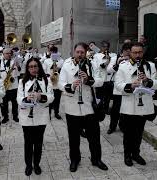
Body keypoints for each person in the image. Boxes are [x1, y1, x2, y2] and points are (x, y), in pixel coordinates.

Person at [59, 42, 108, 172]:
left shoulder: (91, 64)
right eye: (78, 52)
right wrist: (70, 86)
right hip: (72, 108)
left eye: (82, 52)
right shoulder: (66, 65)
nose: (80, 55)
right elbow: (60, 83)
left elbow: (100, 81)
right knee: (74, 138)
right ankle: (75, 159)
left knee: (94, 137)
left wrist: (89, 80)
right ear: (74, 52)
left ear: (85, 53)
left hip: (89, 107)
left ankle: (96, 159)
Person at [115, 42, 157, 166]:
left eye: (140, 52)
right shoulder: (123, 66)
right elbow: (117, 85)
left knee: (139, 133)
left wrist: (147, 81)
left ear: (143, 52)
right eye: (135, 52)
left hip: (144, 105)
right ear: (130, 53)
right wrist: (130, 85)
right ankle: (127, 155)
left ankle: (136, 154)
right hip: (129, 105)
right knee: (128, 134)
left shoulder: (150, 66)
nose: (138, 55)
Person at [17, 57, 54, 176]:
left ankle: (36, 164)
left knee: (38, 143)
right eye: (30, 67)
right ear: (27, 68)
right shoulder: (22, 81)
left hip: (41, 116)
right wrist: (26, 99)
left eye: (35, 66)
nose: (33, 69)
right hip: (26, 116)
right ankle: (28, 165)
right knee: (28, 143)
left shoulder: (46, 80)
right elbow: (18, 98)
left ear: (39, 67)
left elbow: (51, 97)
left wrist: (41, 97)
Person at [106, 43, 132, 134]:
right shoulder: (115, 58)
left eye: (130, 52)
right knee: (115, 110)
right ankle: (112, 127)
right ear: (123, 51)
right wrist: (117, 64)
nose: (128, 54)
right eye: (126, 52)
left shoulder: (132, 60)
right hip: (117, 89)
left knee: (125, 109)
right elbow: (108, 70)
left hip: (128, 88)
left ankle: (122, 126)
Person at [0, 48, 21, 123]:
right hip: (4, 86)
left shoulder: (14, 62)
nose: (9, 55)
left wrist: (17, 66)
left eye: (10, 53)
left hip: (14, 86)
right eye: (7, 53)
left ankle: (15, 116)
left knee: (14, 103)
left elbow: (18, 73)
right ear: (3, 54)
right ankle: (5, 117)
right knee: (4, 103)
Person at [92, 41, 117, 116]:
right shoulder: (97, 56)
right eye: (104, 46)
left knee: (108, 96)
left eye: (107, 46)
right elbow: (97, 67)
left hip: (109, 79)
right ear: (101, 47)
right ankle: (99, 109)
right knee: (100, 96)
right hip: (101, 79)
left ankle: (106, 109)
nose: (105, 48)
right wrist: (106, 62)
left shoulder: (113, 55)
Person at [42, 46, 64, 119]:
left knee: (57, 99)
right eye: (52, 52)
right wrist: (47, 76)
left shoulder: (61, 61)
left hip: (58, 82)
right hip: (50, 82)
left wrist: (59, 69)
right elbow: (44, 71)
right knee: (49, 98)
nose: (53, 53)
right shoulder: (46, 61)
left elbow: (63, 72)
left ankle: (56, 113)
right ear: (50, 52)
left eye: (55, 52)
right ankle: (49, 113)